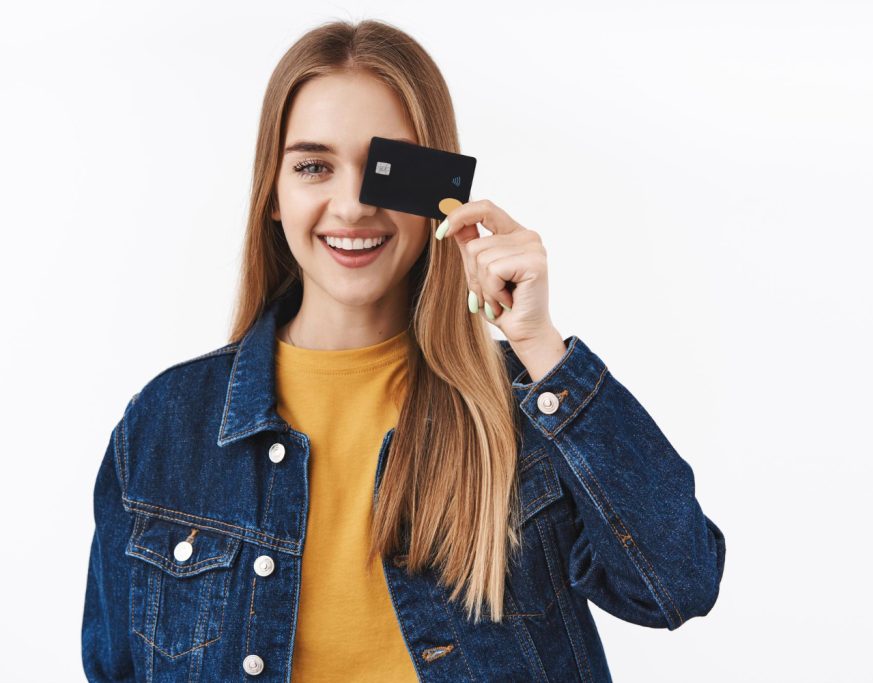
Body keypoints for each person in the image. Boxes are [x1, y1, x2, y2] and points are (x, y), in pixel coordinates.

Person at [81, 19, 726, 682]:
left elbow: (678, 583)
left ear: (437, 193)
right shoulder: (164, 426)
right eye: (312, 166)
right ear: (274, 194)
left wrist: (540, 344)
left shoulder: (523, 417)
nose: (353, 204)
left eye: (384, 167)